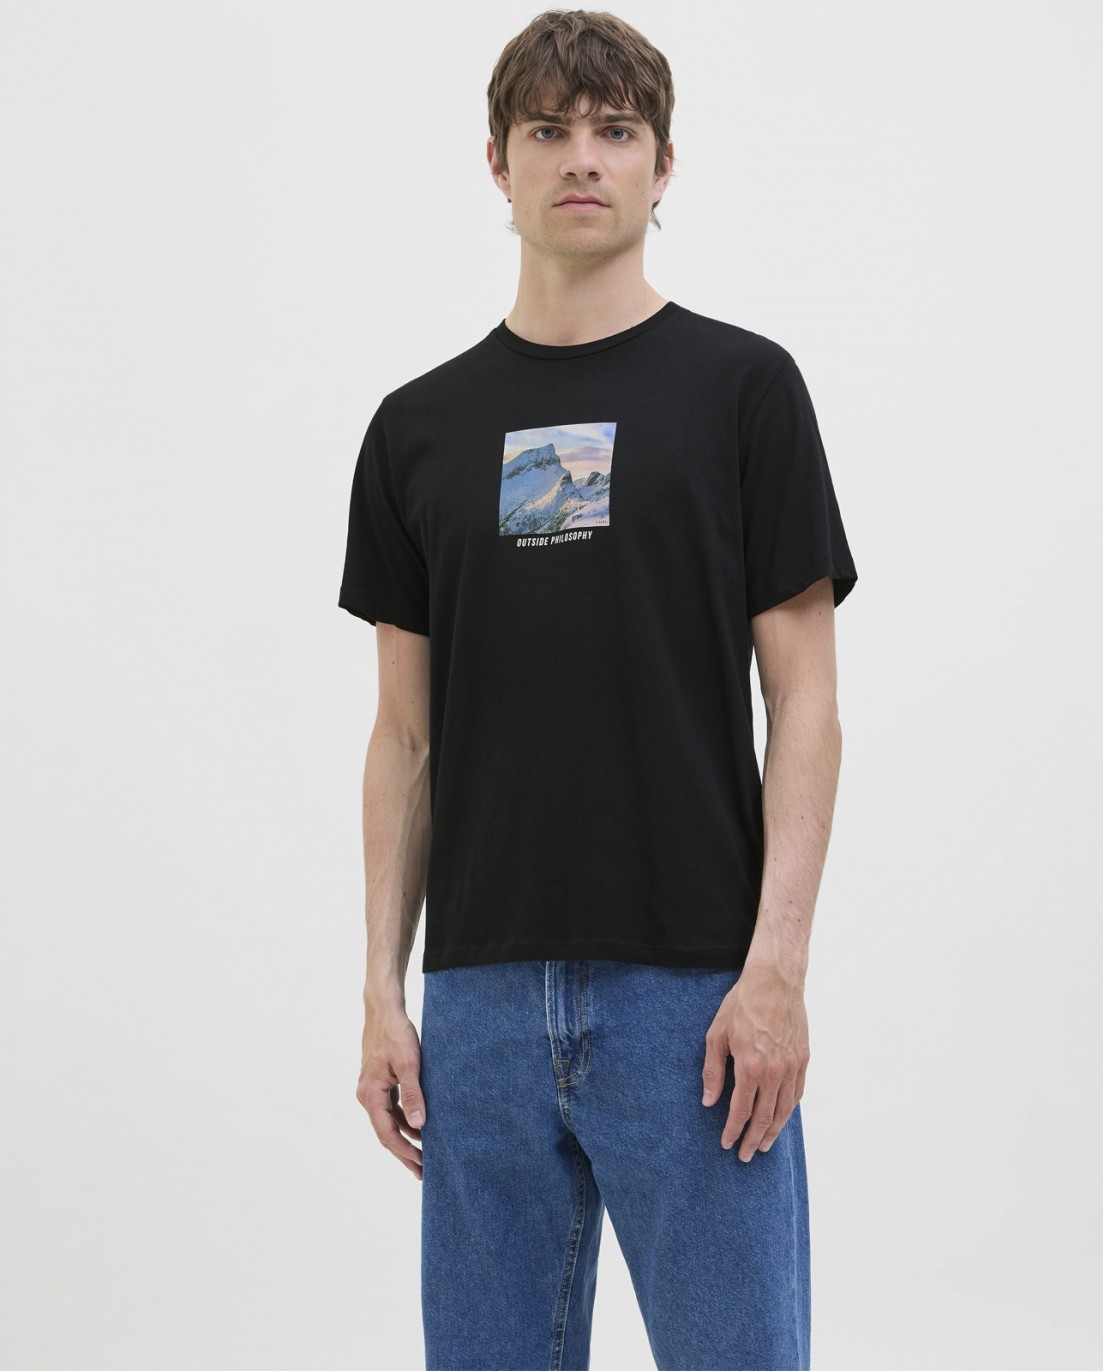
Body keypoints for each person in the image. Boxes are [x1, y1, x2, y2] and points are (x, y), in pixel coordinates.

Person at [338, 10, 858, 1370]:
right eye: (549, 130)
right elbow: (405, 738)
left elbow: (806, 703)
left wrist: (777, 971)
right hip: (480, 1009)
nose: (583, 157)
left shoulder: (745, 391)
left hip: (692, 1004)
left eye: (616, 130)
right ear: (497, 161)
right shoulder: (416, 429)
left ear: (662, 164)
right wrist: (383, 992)